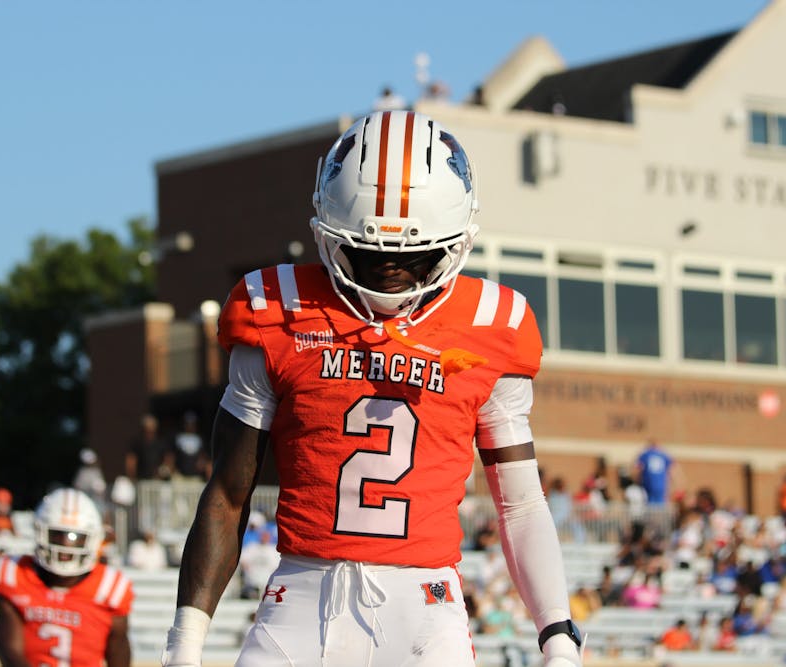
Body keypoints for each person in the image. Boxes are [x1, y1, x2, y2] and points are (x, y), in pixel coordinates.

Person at [162, 110, 582, 667]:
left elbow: (521, 502)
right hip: (301, 597)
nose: (389, 272)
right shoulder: (277, 308)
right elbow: (228, 492)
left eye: (410, 257)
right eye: (369, 253)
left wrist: (558, 635)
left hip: (425, 610)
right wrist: (183, 645)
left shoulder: (491, 322)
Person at [0, 487, 133, 667]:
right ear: (40, 532)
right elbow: (9, 651)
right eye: (58, 535)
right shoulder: (16, 573)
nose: (66, 545)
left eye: (77, 538)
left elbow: (118, 651)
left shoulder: (110, 587)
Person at [126, 413, 171, 481]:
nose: (150, 433)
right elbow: (131, 460)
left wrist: (163, 472)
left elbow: (168, 459)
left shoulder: (161, 443)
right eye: (147, 430)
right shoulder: (137, 443)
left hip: (158, 480)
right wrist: (132, 477)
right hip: (141, 479)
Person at [635, 439, 675, 505]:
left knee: (649, 505)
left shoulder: (645, 454)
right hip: (661, 485)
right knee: (660, 505)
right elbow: (671, 470)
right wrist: (673, 483)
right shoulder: (663, 455)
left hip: (648, 484)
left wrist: (637, 480)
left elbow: (638, 468)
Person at [170, 412, 206, 479]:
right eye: (188, 424)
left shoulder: (199, 439)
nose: (189, 426)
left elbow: (202, 456)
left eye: (192, 424)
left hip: (195, 476)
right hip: (180, 475)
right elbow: (172, 455)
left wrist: (202, 463)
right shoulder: (178, 438)